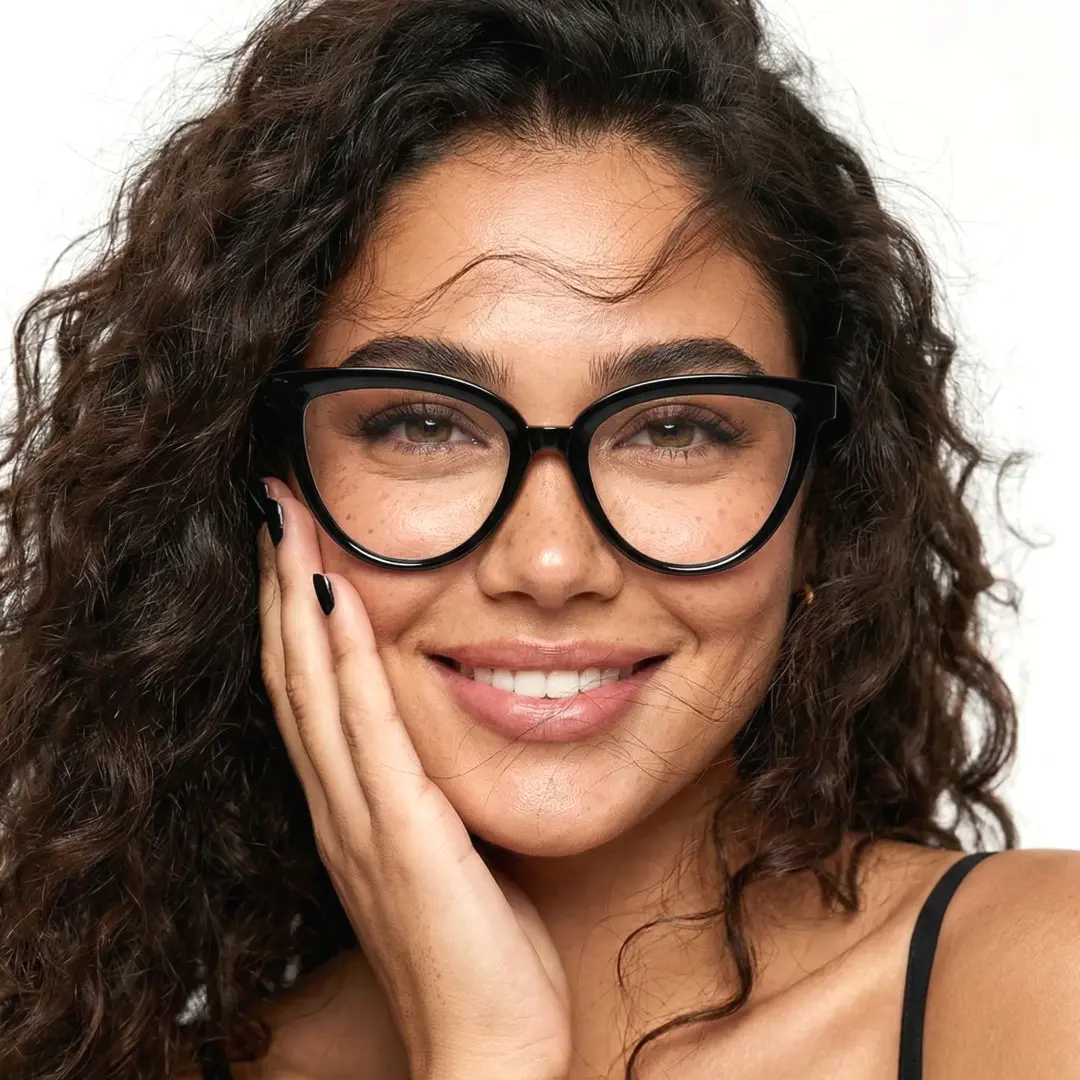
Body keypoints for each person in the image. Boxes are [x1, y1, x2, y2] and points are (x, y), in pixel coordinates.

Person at [1, 0, 1077, 1078]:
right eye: (422, 424)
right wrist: (485, 1054)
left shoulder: (1035, 984)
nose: (553, 564)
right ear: (246, 493)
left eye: (677, 427)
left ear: (821, 508)